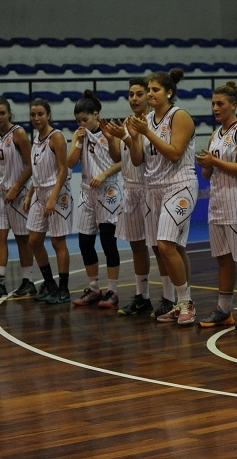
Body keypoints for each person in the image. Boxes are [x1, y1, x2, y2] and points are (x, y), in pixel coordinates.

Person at [127, 69, 198, 325]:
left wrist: (146, 133)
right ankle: (181, 301)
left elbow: (175, 154)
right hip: (154, 188)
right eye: (149, 90)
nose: (150, 94)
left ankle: (185, 302)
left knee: (166, 244)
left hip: (180, 185)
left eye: (155, 90)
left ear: (168, 92)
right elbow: (137, 160)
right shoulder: (147, 120)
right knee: (170, 248)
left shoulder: (179, 116)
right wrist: (132, 137)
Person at [195, 80, 237, 328]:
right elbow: (208, 175)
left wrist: (214, 162)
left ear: (233, 104)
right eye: (213, 104)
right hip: (217, 202)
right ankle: (224, 309)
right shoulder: (214, 134)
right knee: (223, 259)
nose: (216, 108)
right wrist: (206, 165)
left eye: (220, 104)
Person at [100, 78, 153, 316]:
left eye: (139, 94)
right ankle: (143, 297)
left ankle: (172, 298)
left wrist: (124, 136)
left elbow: (140, 155)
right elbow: (117, 158)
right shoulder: (128, 122)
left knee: (162, 247)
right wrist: (112, 139)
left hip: (149, 188)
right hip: (130, 189)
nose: (134, 98)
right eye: (131, 94)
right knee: (137, 247)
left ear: (149, 97)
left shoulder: (153, 123)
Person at [68, 90, 123, 309]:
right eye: (78, 120)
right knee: (84, 242)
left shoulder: (110, 132)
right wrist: (79, 142)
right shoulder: (78, 134)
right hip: (86, 191)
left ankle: (113, 291)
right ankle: (93, 288)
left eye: (85, 119)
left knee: (108, 242)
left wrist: (103, 174)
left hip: (108, 190)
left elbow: (121, 161)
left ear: (96, 115)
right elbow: (70, 163)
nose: (82, 123)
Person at [0, 97, 34, 299]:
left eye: (2, 113)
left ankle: (28, 281)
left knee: (22, 238)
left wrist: (17, 187)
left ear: (9, 113)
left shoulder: (18, 133)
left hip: (18, 192)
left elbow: (31, 165)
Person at [21, 98, 72, 305]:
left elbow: (63, 170)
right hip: (40, 192)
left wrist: (53, 197)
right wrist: (28, 194)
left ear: (48, 115)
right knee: (33, 240)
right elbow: (38, 172)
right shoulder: (36, 139)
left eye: (40, 114)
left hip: (57, 193)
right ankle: (50, 283)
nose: (36, 118)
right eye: (33, 115)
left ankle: (64, 288)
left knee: (57, 241)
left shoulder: (56, 137)